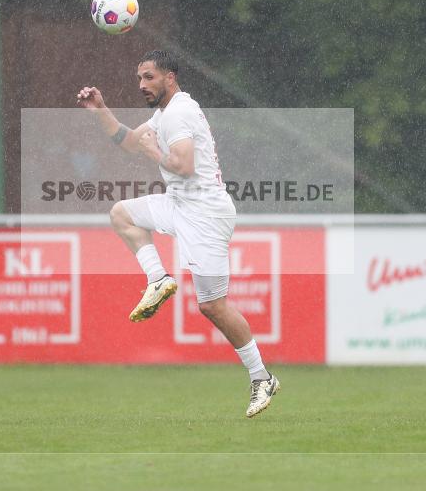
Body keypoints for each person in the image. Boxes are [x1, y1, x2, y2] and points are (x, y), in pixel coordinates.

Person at [75, 49, 279, 418]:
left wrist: (154, 150)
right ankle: (158, 278)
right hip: (180, 203)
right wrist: (100, 111)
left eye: (149, 77)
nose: (142, 85)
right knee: (122, 214)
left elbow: (183, 165)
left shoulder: (180, 112)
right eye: (139, 78)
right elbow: (126, 140)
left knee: (212, 305)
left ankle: (261, 377)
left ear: (170, 78)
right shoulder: (163, 114)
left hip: (205, 212)